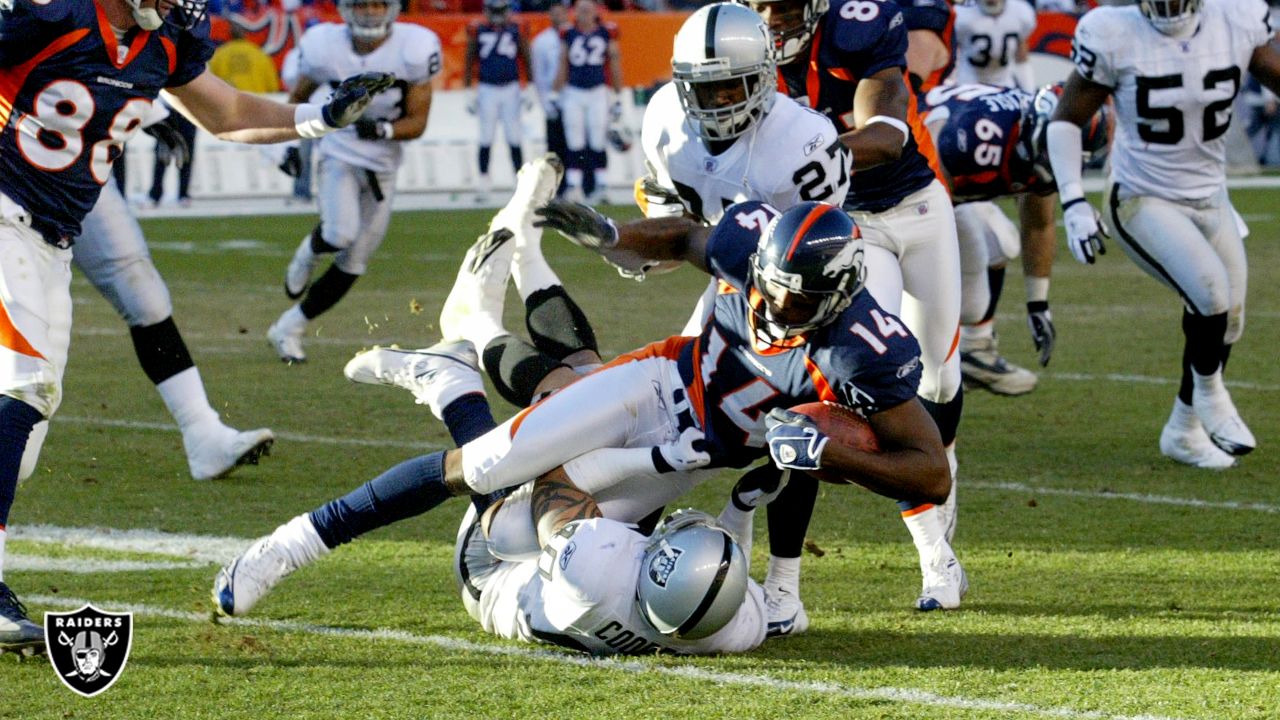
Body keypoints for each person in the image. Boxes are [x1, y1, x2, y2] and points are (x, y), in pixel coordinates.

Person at [212, 159, 952, 629]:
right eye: (767, 286)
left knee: (528, 538)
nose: (771, 306)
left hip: (684, 461)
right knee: (484, 468)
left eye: (795, 301)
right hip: (651, 388)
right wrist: (613, 237)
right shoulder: (747, 249)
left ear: (837, 297)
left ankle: (452, 373)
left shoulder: (861, 352)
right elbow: (689, 240)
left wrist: (831, 453)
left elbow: (928, 469)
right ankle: (285, 549)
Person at [0, 0, 394, 655]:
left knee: (24, 434)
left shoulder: (161, 43)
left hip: (51, 243)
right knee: (23, 389)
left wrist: (315, 118)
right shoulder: (52, 15)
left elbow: (230, 113)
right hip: (4, 214)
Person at [743, 0, 965, 614]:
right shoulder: (740, 51)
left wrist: (806, 161)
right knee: (853, 384)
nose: (769, 17)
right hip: (842, 231)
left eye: (781, 5)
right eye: (757, 5)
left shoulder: (859, 24)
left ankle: (939, 499)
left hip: (916, 207)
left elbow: (888, 134)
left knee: (940, 381)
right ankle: (925, 559)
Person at [1046, 0, 1277, 468]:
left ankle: (1184, 430)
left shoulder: (1236, 18)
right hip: (1142, 196)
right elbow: (1066, 119)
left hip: (1212, 195)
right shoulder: (1113, 31)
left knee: (1229, 318)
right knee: (1211, 294)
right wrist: (1072, 201)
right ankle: (1212, 397)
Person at [19, 107, 276, 483]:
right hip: (12, 169)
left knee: (142, 291)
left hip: (78, 165)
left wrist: (152, 114)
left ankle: (203, 433)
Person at [266, 0, 440, 365]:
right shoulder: (323, 46)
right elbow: (298, 98)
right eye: (362, 4)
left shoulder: (415, 48)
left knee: (355, 260)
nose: (371, 12)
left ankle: (290, 326)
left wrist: (381, 128)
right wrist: (292, 144)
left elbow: (418, 121)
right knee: (340, 233)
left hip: (384, 165)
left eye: (378, 4)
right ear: (346, 9)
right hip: (339, 154)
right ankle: (306, 255)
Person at [922, 82, 1110, 396]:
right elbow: (928, 194)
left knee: (1000, 240)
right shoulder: (981, 135)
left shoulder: (1038, 138)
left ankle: (976, 351)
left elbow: (1039, 223)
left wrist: (1038, 305)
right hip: (909, 183)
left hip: (942, 191)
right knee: (967, 301)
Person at [553, 0, 622, 203]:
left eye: (587, 10)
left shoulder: (607, 32)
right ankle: (575, 186)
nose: (583, 14)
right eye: (580, 10)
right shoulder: (568, 33)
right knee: (575, 140)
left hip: (598, 91)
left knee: (597, 139)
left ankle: (602, 185)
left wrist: (617, 96)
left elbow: (615, 63)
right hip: (573, 91)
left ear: (595, 12)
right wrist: (555, 93)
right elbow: (563, 63)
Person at [465, 0, 533, 202]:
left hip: (511, 88)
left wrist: (530, 86)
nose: (497, 14)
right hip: (487, 88)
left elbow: (526, 57)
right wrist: (468, 90)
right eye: (494, 10)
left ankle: (519, 183)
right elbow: (469, 60)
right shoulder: (478, 30)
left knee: (514, 137)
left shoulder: (515, 29)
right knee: (486, 137)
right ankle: (484, 182)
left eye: (500, 10)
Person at [531, 2, 571, 197]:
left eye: (561, 12)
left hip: (574, 97)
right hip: (553, 99)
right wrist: (545, 102)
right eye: (554, 13)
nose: (558, 16)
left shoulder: (576, 35)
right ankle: (557, 186)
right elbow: (539, 76)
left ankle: (581, 184)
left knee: (577, 144)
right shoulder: (541, 41)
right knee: (555, 146)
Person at [952, 0, 1036, 91]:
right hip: (969, 81)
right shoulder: (962, 13)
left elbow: (1021, 57)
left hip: (1004, 83)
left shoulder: (1021, 12)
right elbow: (952, 54)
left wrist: (1029, 90)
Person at [147, 100, 199, 207]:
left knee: (186, 155)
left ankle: (183, 194)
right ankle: (155, 195)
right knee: (162, 156)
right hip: (166, 112)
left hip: (187, 111)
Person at [208, 18, 282, 93]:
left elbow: (210, 86)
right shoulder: (260, 54)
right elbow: (273, 87)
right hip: (255, 101)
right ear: (246, 34)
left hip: (228, 102)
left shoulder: (219, 55)